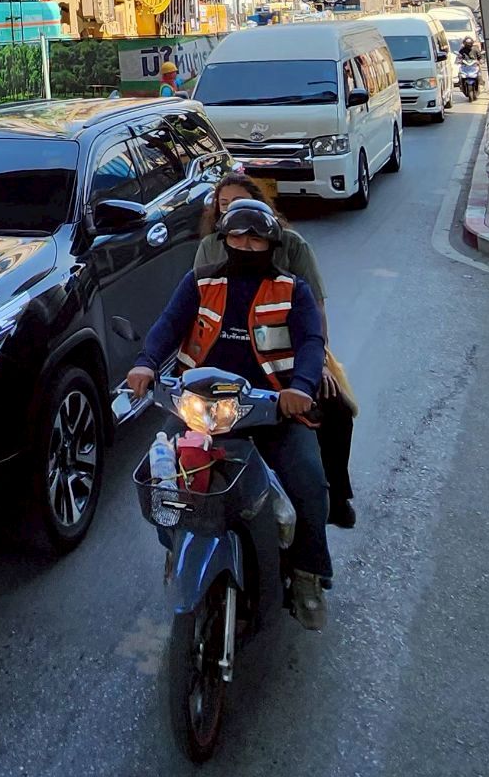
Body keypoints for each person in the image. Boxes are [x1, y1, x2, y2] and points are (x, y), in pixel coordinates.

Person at [126, 199, 333, 629]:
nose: (246, 246)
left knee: (309, 480)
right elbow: (168, 325)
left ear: (271, 244)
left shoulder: (293, 290)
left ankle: (307, 573)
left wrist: (300, 388)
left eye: (255, 240)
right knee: (161, 478)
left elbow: (312, 343)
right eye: (237, 238)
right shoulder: (200, 282)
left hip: (270, 409)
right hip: (200, 409)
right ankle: (177, 546)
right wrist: (146, 363)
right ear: (224, 241)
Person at [192, 168, 357, 525]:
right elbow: (194, 309)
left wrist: (318, 365)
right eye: (224, 204)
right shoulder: (209, 250)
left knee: (337, 410)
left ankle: (336, 496)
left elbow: (315, 312)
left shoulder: (293, 246)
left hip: (291, 359)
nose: (232, 211)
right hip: (228, 362)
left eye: (240, 202)